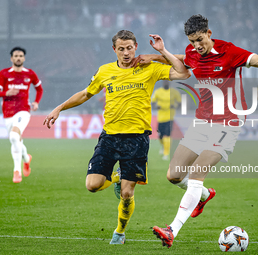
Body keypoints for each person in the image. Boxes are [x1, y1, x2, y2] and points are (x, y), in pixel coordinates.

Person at [132, 14, 258, 248]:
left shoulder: (229, 52)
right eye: (192, 41)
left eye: (200, 39)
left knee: (197, 173)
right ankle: (204, 195)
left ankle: (172, 230)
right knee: (174, 176)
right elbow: (183, 59)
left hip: (228, 122)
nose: (196, 46)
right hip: (202, 121)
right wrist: (156, 54)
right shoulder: (192, 52)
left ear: (209, 34)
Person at [43, 30, 190, 245]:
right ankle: (116, 177)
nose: (126, 52)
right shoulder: (105, 71)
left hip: (137, 139)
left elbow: (184, 73)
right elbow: (85, 94)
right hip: (110, 137)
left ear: (136, 47)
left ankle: (119, 232)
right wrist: (59, 108)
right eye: (121, 49)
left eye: (129, 48)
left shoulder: (149, 68)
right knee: (92, 185)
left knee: (127, 193)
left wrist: (160, 52)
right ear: (114, 50)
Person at [0, 46, 43, 183]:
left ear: (24, 58)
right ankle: (26, 158)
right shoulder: (4, 74)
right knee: (16, 139)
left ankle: (17, 171)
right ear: (11, 58)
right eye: (16, 56)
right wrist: (6, 93)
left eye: (20, 56)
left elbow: (39, 89)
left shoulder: (30, 74)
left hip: (23, 110)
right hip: (8, 112)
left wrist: (36, 102)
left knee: (14, 136)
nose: (18, 58)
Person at [151, 80, 181, 160]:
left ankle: (166, 154)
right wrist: (156, 106)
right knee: (160, 136)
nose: (166, 83)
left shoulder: (174, 92)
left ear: (169, 82)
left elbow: (180, 103)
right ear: (162, 83)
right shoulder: (158, 92)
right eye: (165, 82)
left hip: (170, 118)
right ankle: (163, 146)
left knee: (167, 135)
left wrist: (174, 106)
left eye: (167, 81)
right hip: (160, 118)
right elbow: (152, 103)